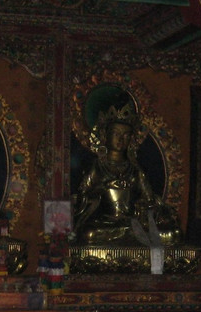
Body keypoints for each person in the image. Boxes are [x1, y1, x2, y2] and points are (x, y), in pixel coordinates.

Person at [72, 102, 180, 247]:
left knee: (173, 234)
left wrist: (143, 206)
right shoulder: (97, 167)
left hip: (132, 223)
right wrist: (104, 188)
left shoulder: (135, 169)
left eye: (126, 135)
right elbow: (82, 197)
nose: (121, 139)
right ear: (105, 135)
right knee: (90, 233)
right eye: (116, 133)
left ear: (131, 139)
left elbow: (149, 200)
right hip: (106, 222)